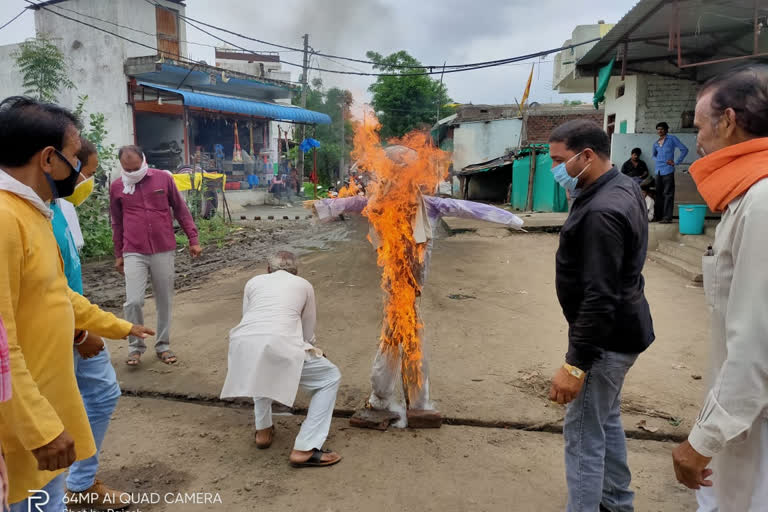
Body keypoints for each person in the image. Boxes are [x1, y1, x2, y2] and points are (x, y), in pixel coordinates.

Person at [0, 96, 153, 512]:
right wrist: (40, 428)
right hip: (24, 430)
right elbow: (1, 346)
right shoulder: (4, 220)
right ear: (48, 159)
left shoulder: (35, 213)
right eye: (73, 156)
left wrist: (118, 326)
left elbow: (57, 293)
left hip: (43, 410)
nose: (78, 169)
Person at [310, 145, 524, 427]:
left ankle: (384, 401)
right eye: (391, 172)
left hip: (411, 288)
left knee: (398, 339)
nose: (395, 180)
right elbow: (347, 204)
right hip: (393, 287)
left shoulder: (429, 205)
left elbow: (468, 208)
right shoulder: (376, 205)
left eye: (401, 172)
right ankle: (410, 403)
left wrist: (511, 219)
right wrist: (320, 206)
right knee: (404, 338)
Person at [672, 64, 768, 511]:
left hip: (754, 426)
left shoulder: (762, 202)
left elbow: (754, 340)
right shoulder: (745, 196)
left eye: (700, 127)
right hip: (743, 417)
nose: (698, 141)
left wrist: (704, 438)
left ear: (728, 121)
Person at [547, 119, 655, 512]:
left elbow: (599, 295)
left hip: (606, 342)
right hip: (625, 330)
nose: (555, 169)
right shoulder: (622, 185)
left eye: (560, 160)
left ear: (586, 155)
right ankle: (616, 502)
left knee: (581, 436)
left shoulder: (601, 211)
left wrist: (575, 365)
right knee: (605, 420)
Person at [47, 139, 129, 507]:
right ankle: (63, 488)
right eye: (88, 173)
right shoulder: (21, 215)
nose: (88, 182)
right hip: (59, 332)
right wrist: (79, 333)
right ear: (57, 162)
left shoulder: (60, 207)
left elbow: (69, 272)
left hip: (75, 320)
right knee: (50, 416)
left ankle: (80, 482)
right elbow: (39, 291)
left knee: (101, 394)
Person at [220, 252, 342, 467]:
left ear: (268, 269)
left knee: (262, 366)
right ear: (296, 272)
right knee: (330, 377)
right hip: (278, 341)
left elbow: (248, 316)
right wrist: (312, 349)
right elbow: (307, 330)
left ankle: (263, 430)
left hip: (242, 342)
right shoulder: (304, 285)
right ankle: (306, 448)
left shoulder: (253, 282)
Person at [110, 145, 202, 367]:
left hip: (163, 248)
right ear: (121, 166)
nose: (132, 172)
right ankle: (135, 347)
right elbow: (117, 222)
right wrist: (118, 253)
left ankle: (162, 345)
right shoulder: (117, 187)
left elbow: (181, 210)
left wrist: (193, 239)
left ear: (143, 160)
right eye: (127, 168)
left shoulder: (163, 179)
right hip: (133, 250)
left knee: (164, 299)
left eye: (135, 167)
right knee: (133, 301)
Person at [652, 121, 689, 223]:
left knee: (668, 194)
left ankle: (667, 218)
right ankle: (658, 216)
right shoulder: (656, 143)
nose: (660, 131)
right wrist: (659, 160)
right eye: (658, 129)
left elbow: (684, 149)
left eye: (662, 129)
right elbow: (653, 155)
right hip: (658, 171)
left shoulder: (672, 139)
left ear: (666, 130)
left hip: (668, 170)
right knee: (658, 194)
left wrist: (676, 162)